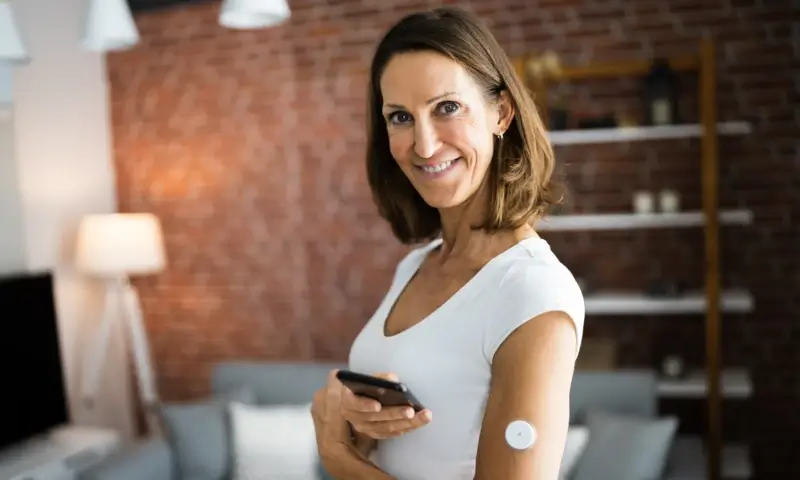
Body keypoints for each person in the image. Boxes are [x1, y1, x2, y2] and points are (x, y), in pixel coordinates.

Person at [311, 6, 585, 480]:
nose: (424, 145)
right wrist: (350, 411)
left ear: (501, 112)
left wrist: (339, 459)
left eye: (447, 108)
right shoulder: (416, 266)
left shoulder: (532, 292)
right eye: (400, 117)